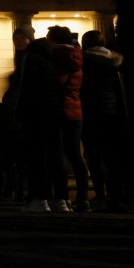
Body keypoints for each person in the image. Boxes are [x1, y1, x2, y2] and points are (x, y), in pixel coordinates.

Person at [13, 28, 66, 213]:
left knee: (37, 158)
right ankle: (60, 200)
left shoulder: (30, 59)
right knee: (56, 158)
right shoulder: (50, 61)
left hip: (36, 115)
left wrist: (19, 114)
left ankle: (39, 198)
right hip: (54, 115)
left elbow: (27, 89)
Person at [79, 29, 131, 212]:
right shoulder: (116, 62)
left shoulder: (85, 62)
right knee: (112, 158)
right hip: (113, 115)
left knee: (93, 156)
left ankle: (100, 195)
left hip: (91, 114)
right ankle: (115, 195)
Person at [47, 25, 90, 212]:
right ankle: (83, 197)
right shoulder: (78, 57)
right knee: (75, 155)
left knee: (57, 156)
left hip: (58, 111)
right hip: (76, 111)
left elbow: (53, 83)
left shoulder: (54, 58)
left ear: (54, 40)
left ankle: (61, 198)